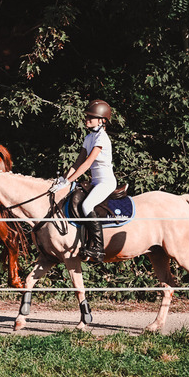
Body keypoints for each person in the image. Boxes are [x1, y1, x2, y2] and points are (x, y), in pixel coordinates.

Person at [49, 99, 116, 262]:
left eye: (90, 117)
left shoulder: (102, 138)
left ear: (102, 120)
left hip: (106, 183)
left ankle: (98, 248)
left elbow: (87, 163)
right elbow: (78, 162)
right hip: (95, 183)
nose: (86, 119)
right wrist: (63, 180)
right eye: (87, 117)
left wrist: (70, 180)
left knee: (87, 205)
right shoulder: (89, 138)